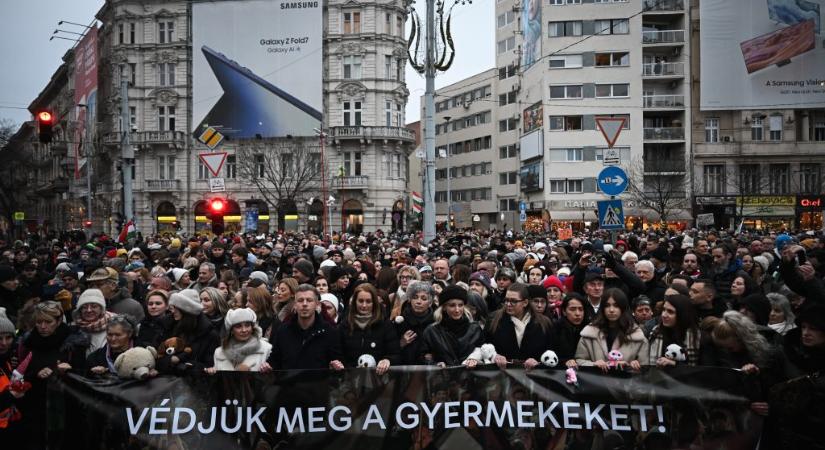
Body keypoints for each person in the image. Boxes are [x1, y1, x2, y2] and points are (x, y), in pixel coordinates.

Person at [16, 301, 87, 450]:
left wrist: (68, 372)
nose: (42, 327)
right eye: (39, 322)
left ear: (59, 320)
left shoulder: (72, 343)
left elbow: (83, 376)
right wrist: (36, 374)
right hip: (35, 407)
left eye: (48, 322)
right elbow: (19, 374)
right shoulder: (28, 342)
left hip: (65, 406)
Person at [265, 284, 344, 371]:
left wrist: (336, 367)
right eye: (300, 300)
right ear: (295, 304)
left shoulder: (329, 332)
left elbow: (337, 361)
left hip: (319, 383)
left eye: (309, 300)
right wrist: (267, 367)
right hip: (289, 383)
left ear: (317, 304)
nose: (304, 304)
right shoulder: (283, 331)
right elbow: (274, 361)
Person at [476, 283, 553, 371]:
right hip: (502, 376)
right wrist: (494, 355)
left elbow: (550, 351)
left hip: (533, 377)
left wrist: (538, 361)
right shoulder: (493, 319)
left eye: (513, 301)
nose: (508, 304)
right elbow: (483, 345)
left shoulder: (543, 323)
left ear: (525, 303)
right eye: (506, 300)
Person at [575, 288, 649, 371]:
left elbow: (645, 368)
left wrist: (629, 366)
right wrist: (593, 364)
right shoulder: (589, 333)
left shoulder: (636, 335)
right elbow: (579, 361)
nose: (611, 310)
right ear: (602, 308)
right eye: (607, 306)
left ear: (623, 307)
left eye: (616, 306)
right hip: (596, 382)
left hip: (625, 383)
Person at [156, 289, 220, 376]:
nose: (173, 311)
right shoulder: (167, 324)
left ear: (187, 311)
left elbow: (208, 365)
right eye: (173, 307)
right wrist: (170, 360)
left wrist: (181, 364)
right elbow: (157, 353)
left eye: (177, 308)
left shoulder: (209, 334)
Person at [339, 283, 399, 374]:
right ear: (354, 302)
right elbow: (339, 355)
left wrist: (388, 360)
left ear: (374, 303)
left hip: (379, 380)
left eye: (368, 301)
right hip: (351, 380)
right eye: (360, 301)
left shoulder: (385, 325)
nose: (364, 305)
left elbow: (395, 353)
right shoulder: (344, 326)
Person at [208, 308, 272, 372]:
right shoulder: (219, 352)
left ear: (252, 328)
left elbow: (273, 379)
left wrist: (267, 373)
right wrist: (211, 373)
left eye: (247, 325)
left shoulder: (265, 349)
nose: (244, 330)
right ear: (232, 330)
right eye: (238, 326)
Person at [648, 294, 701, 367]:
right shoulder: (656, 331)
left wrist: (674, 364)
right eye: (663, 310)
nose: (664, 315)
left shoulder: (697, 337)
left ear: (682, 314)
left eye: (670, 312)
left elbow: (700, 369)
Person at [394, 281, 435, 365]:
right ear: (410, 300)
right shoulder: (400, 322)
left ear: (430, 303)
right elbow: (388, 351)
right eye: (415, 297)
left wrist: (434, 356)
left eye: (424, 299)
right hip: (404, 370)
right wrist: (401, 343)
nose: (418, 302)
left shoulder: (436, 324)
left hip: (429, 372)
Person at [72, 289, 115, 355]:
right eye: (84, 307)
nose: (89, 310)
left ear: (101, 309)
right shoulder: (74, 328)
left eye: (94, 306)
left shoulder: (115, 325)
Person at [549, 294, 587, 368]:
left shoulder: (589, 330)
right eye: (572, 309)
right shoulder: (555, 329)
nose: (577, 313)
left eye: (581, 309)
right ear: (564, 311)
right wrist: (564, 361)